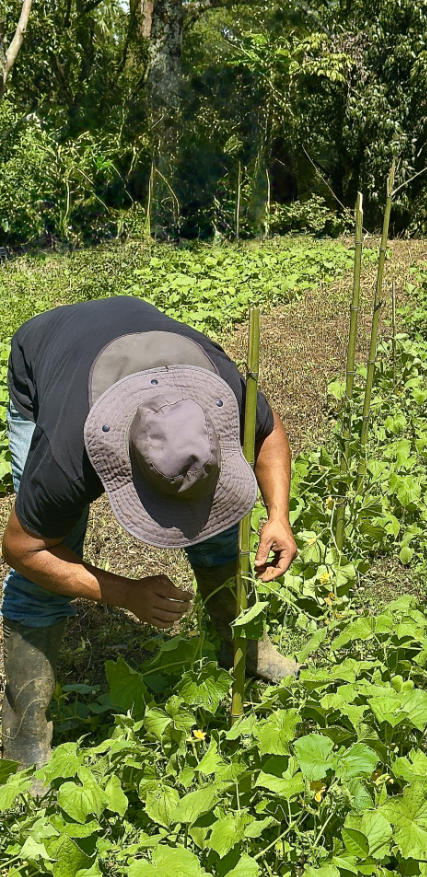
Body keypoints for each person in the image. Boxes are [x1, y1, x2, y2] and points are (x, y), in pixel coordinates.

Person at [0, 295, 299, 769]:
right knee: (47, 568)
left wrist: (278, 515)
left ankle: (242, 646)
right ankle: (24, 741)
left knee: (219, 524)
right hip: (49, 361)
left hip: (142, 343)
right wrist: (125, 594)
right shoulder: (66, 454)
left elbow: (267, 432)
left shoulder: (222, 389)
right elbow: (22, 549)